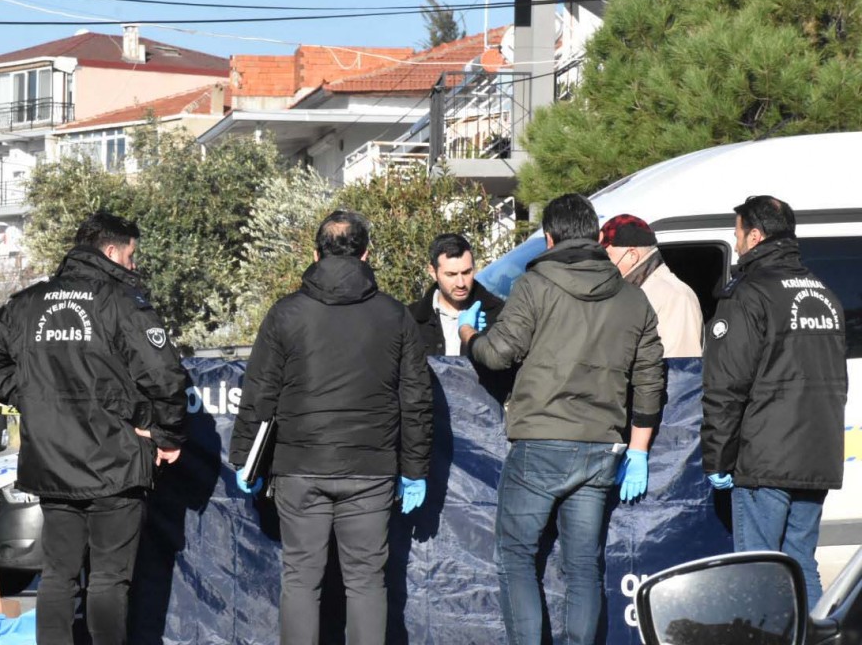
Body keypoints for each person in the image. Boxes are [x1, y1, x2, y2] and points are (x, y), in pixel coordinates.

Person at [0, 211, 189, 645]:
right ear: (110, 250)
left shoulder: (28, 303)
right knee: (109, 577)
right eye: (131, 255)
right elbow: (165, 376)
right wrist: (166, 433)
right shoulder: (121, 302)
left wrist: (30, 397)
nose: (133, 264)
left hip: (53, 461)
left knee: (58, 575)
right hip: (115, 458)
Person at [458, 193, 665, 645]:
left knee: (516, 558)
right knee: (584, 567)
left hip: (541, 441)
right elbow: (651, 379)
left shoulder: (534, 286)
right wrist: (639, 450)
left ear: (550, 239)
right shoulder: (634, 300)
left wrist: (468, 333)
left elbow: (497, 355)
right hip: (602, 448)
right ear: (595, 237)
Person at [230, 210, 434, 645]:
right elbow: (416, 400)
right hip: (371, 469)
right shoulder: (395, 315)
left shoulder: (286, 313)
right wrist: (415, 470)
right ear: (366, 254)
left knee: (301, 578)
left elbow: (259, 392)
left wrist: (244, 457)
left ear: (315, 253)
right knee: (366, 581)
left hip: (300, 466)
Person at [701, 195, 847, 608]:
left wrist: (718, 458)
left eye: (737, 234)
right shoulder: (824, 293)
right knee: (800, 564)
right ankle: (816, 634)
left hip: (765, 459)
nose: (736, 243)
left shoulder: (749, 294)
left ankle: (764, 636)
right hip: (816, 455)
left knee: (758, 570)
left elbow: (726, 386)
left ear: (755, 236)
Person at [599, 214, 704, 357]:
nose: (602, 264)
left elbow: (680, 367)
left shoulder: (675, 297)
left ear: (632, 255)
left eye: (608, 256)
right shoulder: (637, 291)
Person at [408, 233, 505, 358]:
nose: (461, 283)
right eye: (451, 274)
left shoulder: (499, 314)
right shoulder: (410, 319)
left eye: (466, 272)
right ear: (432, 272)